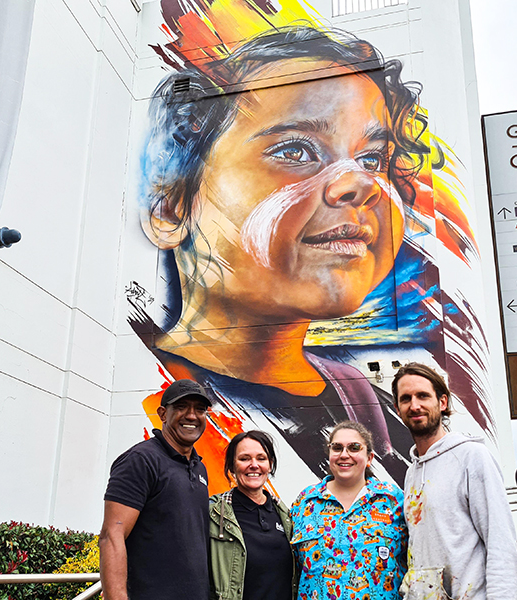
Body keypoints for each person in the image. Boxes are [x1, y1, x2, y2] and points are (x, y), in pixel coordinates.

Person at [128, 25, 448, 484]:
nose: (360, 183)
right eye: (296, 150)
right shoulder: (162, 397)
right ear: (173, 207)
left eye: (373, 160)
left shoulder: (371, 405)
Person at [392, 363, 517, 600]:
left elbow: (500, 543)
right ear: (397, 408)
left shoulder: (472, 457)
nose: (414, 405)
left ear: (442, 403)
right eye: (406, 398)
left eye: (423, 396)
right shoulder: (412, 472)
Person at [99, 379, 212, 600]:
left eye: (200, 409)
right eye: (181, 407)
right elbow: (111, 535)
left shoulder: (200, 468)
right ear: (162, 413)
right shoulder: (141, 460)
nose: (192, 416)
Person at [290, 421, 407, 600]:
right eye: (337, 448)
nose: (344, 455)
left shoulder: (394, 500)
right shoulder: (304, 503)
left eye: (354, 448)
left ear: (369, 458)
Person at [209, 431, 296, 600]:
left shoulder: (285, 516)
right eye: (244, 458)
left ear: (270, 465)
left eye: (261, 458)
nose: (254, 465)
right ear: (232, 466)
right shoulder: (214, 514)